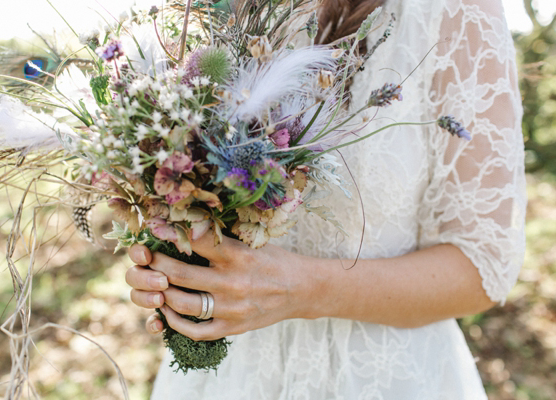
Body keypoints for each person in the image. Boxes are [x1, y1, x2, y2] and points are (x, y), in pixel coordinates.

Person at [126, 0, 526, 398]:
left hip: (381, 378)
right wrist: (172, 260)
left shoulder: (455, 12)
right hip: (227, 376)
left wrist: (302, 289)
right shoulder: (230, 9)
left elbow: (483, 266)